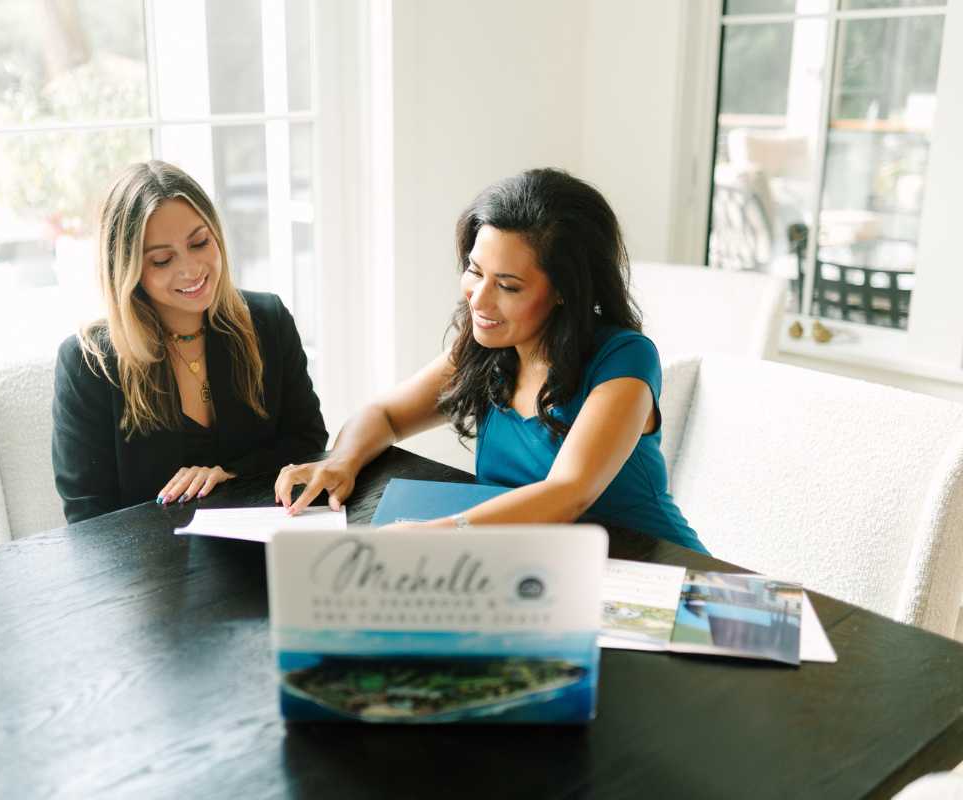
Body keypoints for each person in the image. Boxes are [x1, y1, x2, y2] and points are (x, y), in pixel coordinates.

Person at [275, 167, 707, 553]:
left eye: (509, 285)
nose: (478, 299)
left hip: (655, 568)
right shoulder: (487, 348)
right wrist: (342, 462)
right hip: (545, 567)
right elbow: (385, 414)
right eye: (475, 270)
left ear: (565, 291)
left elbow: (568, 491)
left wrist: (444, 532)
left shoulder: (624, 358)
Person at [52, 160, 328, 523]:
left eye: (200, 242)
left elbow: (308, 441)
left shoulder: (268, 321)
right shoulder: (88, 363)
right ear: (127, 269)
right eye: (162, 260)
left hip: (264, 551)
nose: (191, 269)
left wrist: (230, 473)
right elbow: (87, 516)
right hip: (148, 569)